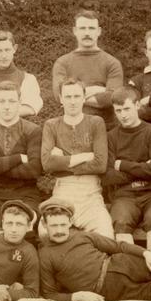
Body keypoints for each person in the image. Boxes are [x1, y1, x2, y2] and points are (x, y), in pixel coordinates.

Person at [41, 77, 114, 237]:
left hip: (91, 193)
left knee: (106, 235)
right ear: (61, 99)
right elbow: (47, 164)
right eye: (67, 97)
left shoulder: (96, 122)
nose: (72, 101)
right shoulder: (51, 125)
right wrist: (85, 156)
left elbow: (100, 164)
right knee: (44, 232)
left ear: (84, 97)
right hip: (63, 190)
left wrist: (62, 162)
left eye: (76, 96)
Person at [103, 87, 151, 255]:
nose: (123, 115)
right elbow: (108, 176)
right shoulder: (110, 137)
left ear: (137, 105)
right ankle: (132, 272)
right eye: (118, 111)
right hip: (125, 195)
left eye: (127, 109)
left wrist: (122, 164)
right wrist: (142, 167)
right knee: (121, 224)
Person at [0, 80, 43, 233]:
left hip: (26, 194)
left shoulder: (33, 131)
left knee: (23, 223)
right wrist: (18, 158)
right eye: (2, 101)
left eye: (11, 101)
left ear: (19, 103)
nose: (6, 106)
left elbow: (33, 170)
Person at [51, 9, 124, 128]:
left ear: (98, 31)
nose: (87, 33)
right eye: (82, 28)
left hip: (105, 129)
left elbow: (112, 98)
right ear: (75, 31)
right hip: (71, 128)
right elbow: (59, 95)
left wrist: (73, 95)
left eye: (91, 28)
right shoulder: (62, 62)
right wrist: (99, 90)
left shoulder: (112, 63)